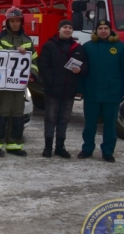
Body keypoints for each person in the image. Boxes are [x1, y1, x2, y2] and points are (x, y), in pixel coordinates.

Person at [78, 20, 124, 163]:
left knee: (110, 125)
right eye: (100, 28)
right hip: (92, 91)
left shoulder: (120, 47)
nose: (103, 31)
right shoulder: (88, 47)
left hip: (112, 93)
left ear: (111, 30)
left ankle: (108, 152)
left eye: (106, 28)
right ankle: (87, 149)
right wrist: (79, 89)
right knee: (90, 123)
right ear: (96, 31)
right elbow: (82, 70)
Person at [0, 7, 38, 157]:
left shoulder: (28, 40)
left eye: (17, 21)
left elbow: (33, 60)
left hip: (19, 86)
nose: (15, 24)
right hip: (2, 85)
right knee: (0, 114)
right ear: (7, 22)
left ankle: (14, 145)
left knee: (17, 115)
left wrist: (32, 74)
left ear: (21, 22)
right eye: (12, 21)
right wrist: (16, 49)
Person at [37, 19, 87, 158]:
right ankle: (48, 147)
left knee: (64, 119)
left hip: (69, 91)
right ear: (59, 30)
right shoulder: (50, 45)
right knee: (50, 118)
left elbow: (85, 66)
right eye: (64, 27)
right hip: (53, 90)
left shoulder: (77, 48)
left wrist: (80, 70)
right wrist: (50, 82)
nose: (67, 29)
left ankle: (60, 147)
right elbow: (43, 65)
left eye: (70, 27)